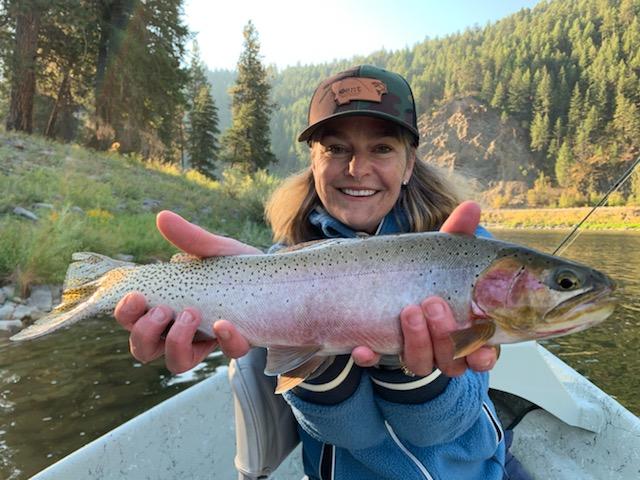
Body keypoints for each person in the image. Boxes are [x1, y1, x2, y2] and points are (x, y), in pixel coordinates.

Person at [115, 65, 519, 479]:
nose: (357, 168)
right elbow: (352, 435)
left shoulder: (467, 252)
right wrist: (322, 358)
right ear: (313, 160)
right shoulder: (277, 268)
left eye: (381, 148)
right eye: (336, 148)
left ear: (409, 164)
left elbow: (441, 429)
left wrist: (404, 367)